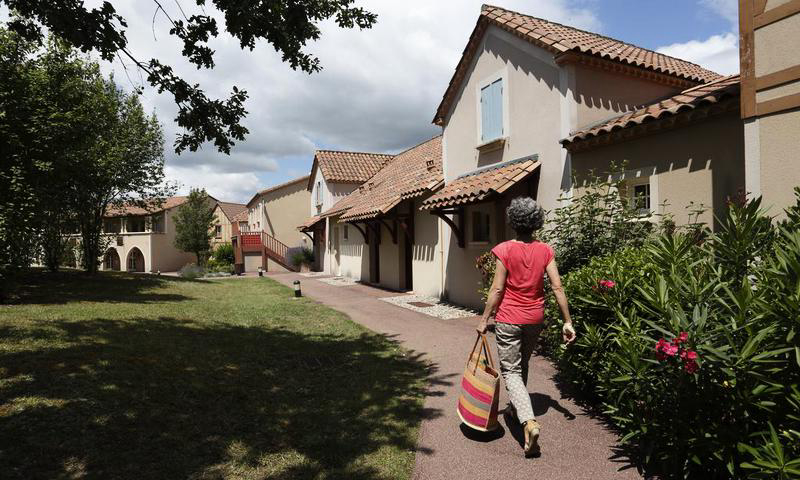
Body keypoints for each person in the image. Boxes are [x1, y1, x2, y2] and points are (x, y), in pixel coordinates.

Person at [476, 196, 576, 457]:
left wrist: (484, 318)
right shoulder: (545, 250)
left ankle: (528, 422)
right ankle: (515, 407)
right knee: (523, 365)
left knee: (510, 371)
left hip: (509, 318)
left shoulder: (504, 249)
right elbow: (557, 286)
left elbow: (497, 288)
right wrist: (568, 321)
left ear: (513, 220)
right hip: (535, 319)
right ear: (536, 222)